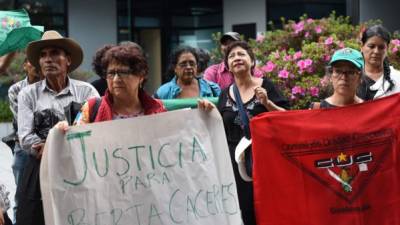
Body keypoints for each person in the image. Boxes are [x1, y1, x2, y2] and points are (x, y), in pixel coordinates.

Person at [16, 30, 99, 225]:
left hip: (79, 169)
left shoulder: (87, 91)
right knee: (32, 217)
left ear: (68, 60)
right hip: (38, 170)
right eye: (43, 55)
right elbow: (26, 137)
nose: (47, 59)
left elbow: (97, 130)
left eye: (54, 53)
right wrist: (51, 149)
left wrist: (57, 148)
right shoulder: (27, 94)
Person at [217, 41, 289, 225]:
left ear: (252, 61)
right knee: (244, 210)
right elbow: (217, 129)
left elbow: (288, 119)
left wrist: (267, 103)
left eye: (241, 54)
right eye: (232, 56)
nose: (237, 58)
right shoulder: (225, 94)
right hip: (236, 165)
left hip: (264, 160)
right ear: (227, 66)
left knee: (268, 207)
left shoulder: (266, 86)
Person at [74, 44, 166, 124]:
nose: (116, 79)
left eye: (123, 72)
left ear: (141, 76)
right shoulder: (91, 108)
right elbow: (74, 140)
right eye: (111, 73)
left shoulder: (158, 109)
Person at [7, 58, 42, 223]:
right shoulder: (16, 89)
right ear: (25, 65)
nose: (35, 65)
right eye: (31, 61)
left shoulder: (48, 87)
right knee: (21, 195)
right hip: (24, 147)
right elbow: (23, 121)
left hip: (49, 146)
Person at [154, 46, 221, 99]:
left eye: (192, 63)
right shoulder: (163, 92)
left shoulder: (213, 89)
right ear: (175, 68)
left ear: (197, 66)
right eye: (183, 64)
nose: (188, 67)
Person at [357, 25, 400, 100]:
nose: (376, 51)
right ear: (362, 46)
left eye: (381, 47)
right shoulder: (351, 75)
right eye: (371, 46)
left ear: (387, 49)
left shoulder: (397, 78)